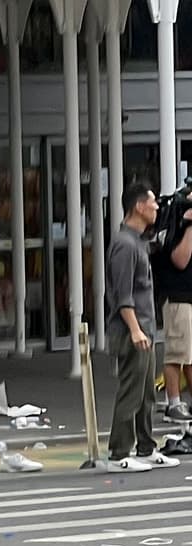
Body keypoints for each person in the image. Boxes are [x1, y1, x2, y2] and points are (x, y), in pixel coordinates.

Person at [105, 183, 179, 472]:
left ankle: (146, 447)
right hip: (131, 331)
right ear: (138, 206)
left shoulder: (138, 241)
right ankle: (118, 453)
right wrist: (135, 329)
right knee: (131, 390)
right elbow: (122, 295)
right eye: (153, 203)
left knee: (147, 391)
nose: (157, 208)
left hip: (145, 328)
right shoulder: (124, 244)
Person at [154, 203, 192, 422]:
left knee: (189, 355)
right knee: (177, 354)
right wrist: (189, 226)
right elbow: (180, 259)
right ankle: (174, 403)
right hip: (177, 297)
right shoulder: (176, 222)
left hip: (187, 296)